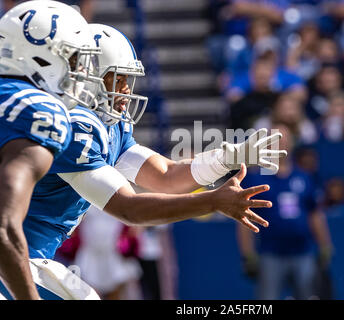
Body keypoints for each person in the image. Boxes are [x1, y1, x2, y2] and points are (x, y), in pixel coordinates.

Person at [0, 23, 287, 300]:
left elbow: (166, 175)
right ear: (87, 76)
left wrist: (226, 158)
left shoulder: (110, 126)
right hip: (13, 257)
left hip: (28, 254)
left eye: (128, 79)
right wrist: (212, 201)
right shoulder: (76, 125)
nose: (126, 89)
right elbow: (128, 208)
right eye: (118, 78)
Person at [0, 1, 102, 300]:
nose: (80, 72)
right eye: (73, 59)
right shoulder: (39, 112)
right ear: (41, 57)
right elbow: (4, 227)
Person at [237, 125, 332, 300]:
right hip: (270, 253)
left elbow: (315, 214)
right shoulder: (256, 178)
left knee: (309, 295)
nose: (281, 143)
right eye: (276, 139)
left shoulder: (304, 176)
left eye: (284, 138)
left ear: (292, 143)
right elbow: (243, 217)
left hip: (303, 251)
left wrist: (325, 244)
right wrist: (247, 254)